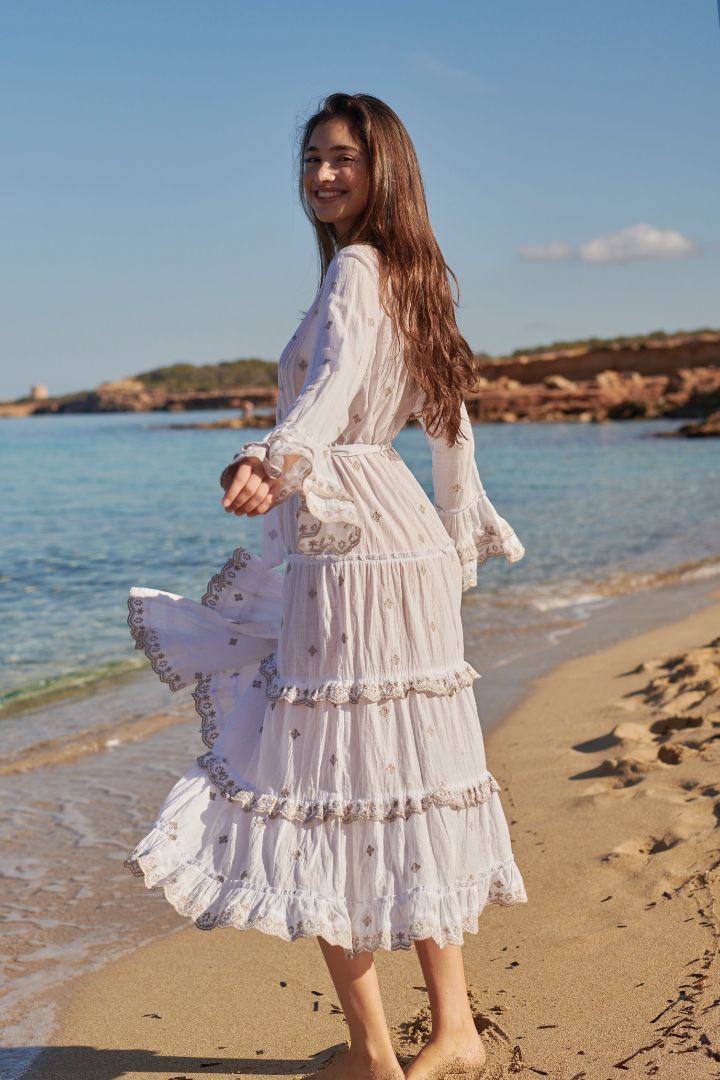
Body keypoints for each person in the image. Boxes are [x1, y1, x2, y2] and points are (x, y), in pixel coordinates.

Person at [125, 92, 528, 1079]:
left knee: (324, 787)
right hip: (404, 538)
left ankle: (373, 1054)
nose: (322, 175)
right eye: (311, 158)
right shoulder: (416, 274)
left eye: (343, 157)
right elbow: (448, 422)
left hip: (347, 542)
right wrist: (458, 534)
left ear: (384, 167)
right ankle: (456, 1033)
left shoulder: (356, 269)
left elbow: (333, 386)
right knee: (408, 780)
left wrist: (277, 456)